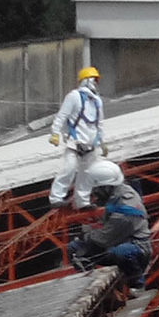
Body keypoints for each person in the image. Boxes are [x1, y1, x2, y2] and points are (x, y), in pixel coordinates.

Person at [68, 160, 151, 286]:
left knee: (121, 252)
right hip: (114, 240)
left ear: (106, 186)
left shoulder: (124, 210)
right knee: (74, 248)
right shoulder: (117, 193)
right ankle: (90, 283)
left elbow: (103, 239)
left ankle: (137, 283)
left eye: (95, 189)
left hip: (135, 247)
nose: (94, 193)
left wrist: (86, 234)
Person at [49, 66, 108, 209]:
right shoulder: (74, 96)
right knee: (68, 169)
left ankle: (82, 202)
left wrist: (102, 142)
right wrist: (55, 133)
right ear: (86, 81)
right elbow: (62, 116)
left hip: (90, 144)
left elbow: (99, 123)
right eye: (93, 79)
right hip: (75, 143)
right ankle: (56, 197)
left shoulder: (97, 101)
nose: (95, 83)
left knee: (87, 174)